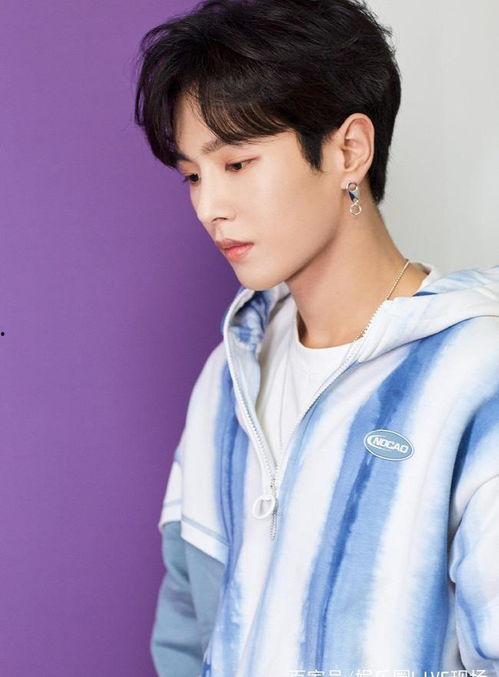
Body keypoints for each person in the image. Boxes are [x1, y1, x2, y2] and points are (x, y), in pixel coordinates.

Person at [133, 1, 499, 675]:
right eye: (192, 175)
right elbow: (186, 628)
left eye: (236, 163)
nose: (209, 206)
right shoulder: (229, 377)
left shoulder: (474, 377)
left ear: (348, 150)